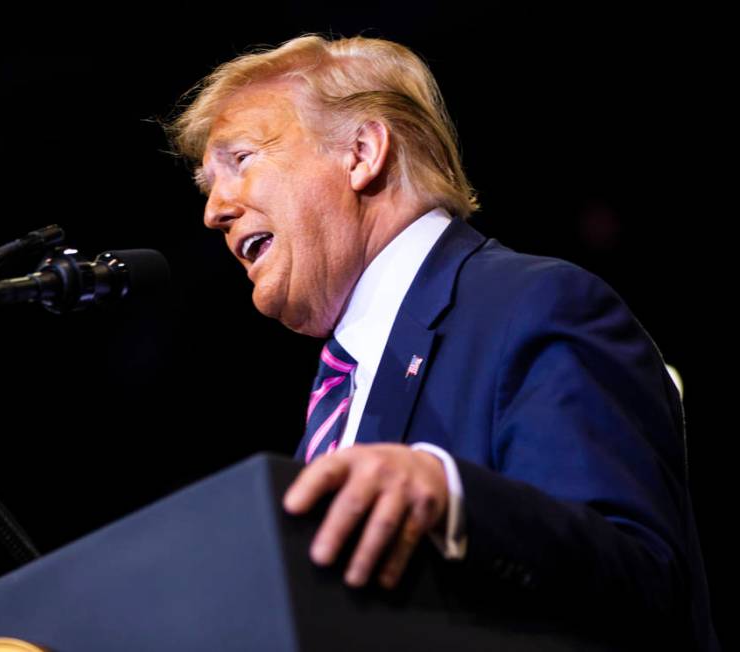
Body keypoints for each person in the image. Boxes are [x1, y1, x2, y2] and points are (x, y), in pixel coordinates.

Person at [168, 34, 717, 649]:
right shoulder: (341, 390)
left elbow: (645, 586)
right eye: (206, 185)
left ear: (361, 152)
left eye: (240, 159)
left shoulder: (532, 305)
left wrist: (453, 499)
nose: (214, 211)